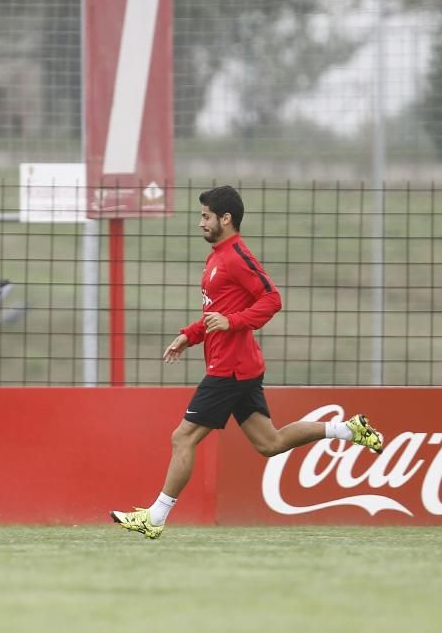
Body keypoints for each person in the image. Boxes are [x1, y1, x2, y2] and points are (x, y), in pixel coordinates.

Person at [111, 185, 384, 539]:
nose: (200, 223)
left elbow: (271, 299)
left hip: (231, 369)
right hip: (238, 366)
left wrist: (233, 322)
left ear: (226, 218)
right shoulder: (217, 256)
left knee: (183, 438)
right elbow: (216, 311)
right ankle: (348, 430)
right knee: (269, 443)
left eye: (206, 216)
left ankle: (156, 518)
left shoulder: (237, 256)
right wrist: (190, 335)